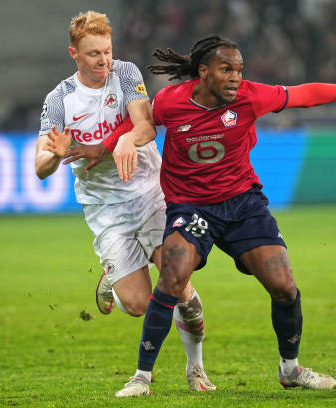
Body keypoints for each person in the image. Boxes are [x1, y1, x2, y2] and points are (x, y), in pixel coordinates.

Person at [65, 34, 336, 397]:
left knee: (284, 286)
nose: (236, 77)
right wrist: (105, 146)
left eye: (239, 70)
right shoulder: (172, 101)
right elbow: (138, 125)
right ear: (204, 73)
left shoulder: (250, 96)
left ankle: (290, 369)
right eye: (227, 69)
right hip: (191, 207)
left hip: (243, 205)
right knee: (172, 280)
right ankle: (141, 378)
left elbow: (302, 94)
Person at [34, 11, 215, 394]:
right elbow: (41, 167)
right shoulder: (59, 101)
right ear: (74, 54)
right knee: (136, 305)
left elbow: (146, 125)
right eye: (94, 54)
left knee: (177, 283)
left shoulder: (127, 74)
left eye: (107, 51)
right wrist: (56, 153)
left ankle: (196, 369)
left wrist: (126, 140)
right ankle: (116, 281)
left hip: (151, 194)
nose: (104, 60)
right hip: (107, 211)